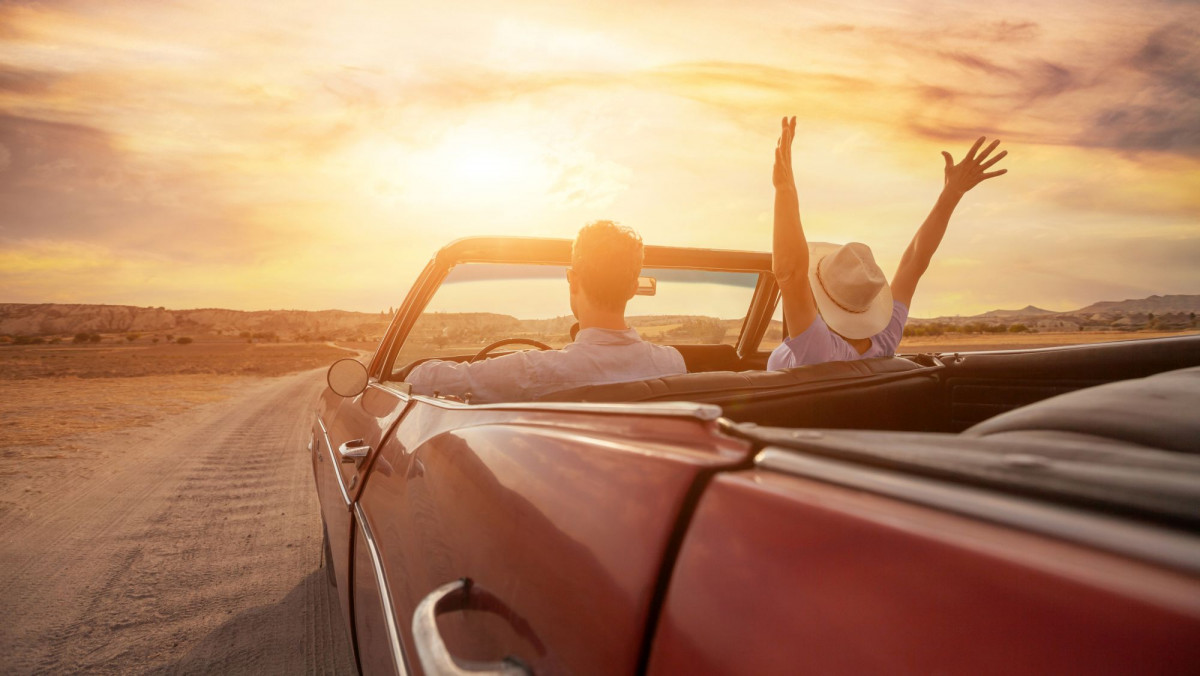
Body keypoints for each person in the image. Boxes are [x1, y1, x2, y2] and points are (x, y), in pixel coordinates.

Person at [768, 116, 1008, 370]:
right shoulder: (885, 340)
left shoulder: (818, 350)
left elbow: (790, 272)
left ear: (819, 298)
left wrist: (785, 190)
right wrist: (951, 194)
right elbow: (914, 263)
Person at [405, 220, 687, 402]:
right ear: (632, 288)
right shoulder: (672, 364)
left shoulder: (532, 371)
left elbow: (420, 380)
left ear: (573, 279)